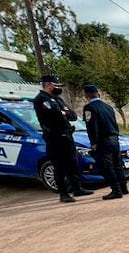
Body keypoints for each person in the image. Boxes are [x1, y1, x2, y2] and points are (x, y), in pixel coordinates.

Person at [33, 74, 93, 203]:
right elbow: (54, 114)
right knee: (59, 166)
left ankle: (77, 188)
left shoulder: (57, 99)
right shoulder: (41, 99)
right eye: (56, 86)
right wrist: (62, 112)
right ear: (48, 85)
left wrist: (63, 112)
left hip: (67, 136)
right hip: (54, 138)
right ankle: (64, 193)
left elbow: (72, 116)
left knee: (73, 163)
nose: (58, 88)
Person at [82, 85, 128, 200]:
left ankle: (116, 190)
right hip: (114, 138)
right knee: (117, 164)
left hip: (103, 141)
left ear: (87, 95)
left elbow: (92, 126)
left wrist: (94, 142)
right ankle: (123, 187)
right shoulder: (108, 107)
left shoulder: (89, 107)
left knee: (107, 166)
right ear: (98, 94)